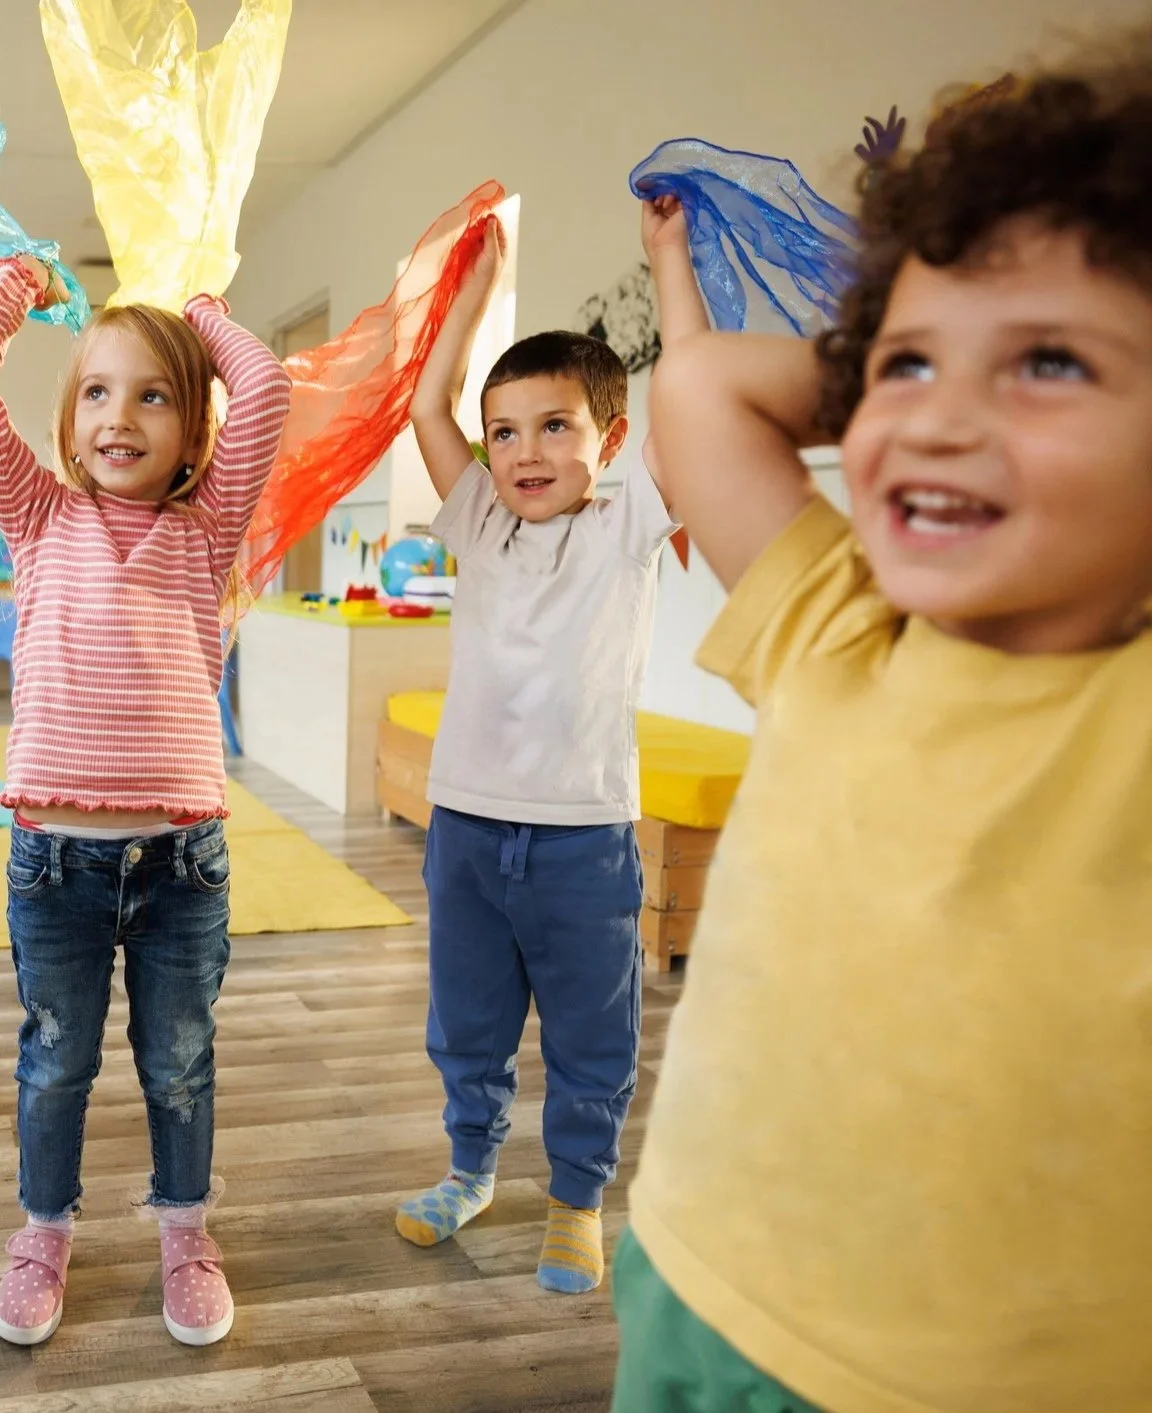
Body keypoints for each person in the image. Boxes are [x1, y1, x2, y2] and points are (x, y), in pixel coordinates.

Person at [618, 43, 1152, 1412]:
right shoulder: (843, 629)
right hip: (700, 1291)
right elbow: (695, 395)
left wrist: (921, 368)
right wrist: (892, 375)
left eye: (1048, 360)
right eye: (905, 364)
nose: (938, 421)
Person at [0, 256, 292, 1347]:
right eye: (96, 391)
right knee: (56, 1061)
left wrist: (203, 319)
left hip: (181, 862)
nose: (120, 416)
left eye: (153, 395)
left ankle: (184, 1232)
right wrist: (10, 298)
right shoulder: (37, 515)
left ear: (193, 431)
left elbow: (267, 388)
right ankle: (42, 1233)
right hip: (55, 862)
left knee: (178, 1060)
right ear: (66, 416)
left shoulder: (209, 522)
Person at [394, 219, 681, 1296]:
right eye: (503, 432)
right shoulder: (477, 519)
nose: (523, 453)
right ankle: (468, 1169)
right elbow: (429, 407)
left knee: (587, 1037)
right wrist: (487, 285)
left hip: (581, 839)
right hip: (466, 828)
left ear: (607, 440)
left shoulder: (627, 524)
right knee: (464, 1025)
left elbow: (689, 394)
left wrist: (665, 266)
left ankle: (576, 1198)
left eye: (553, 427)